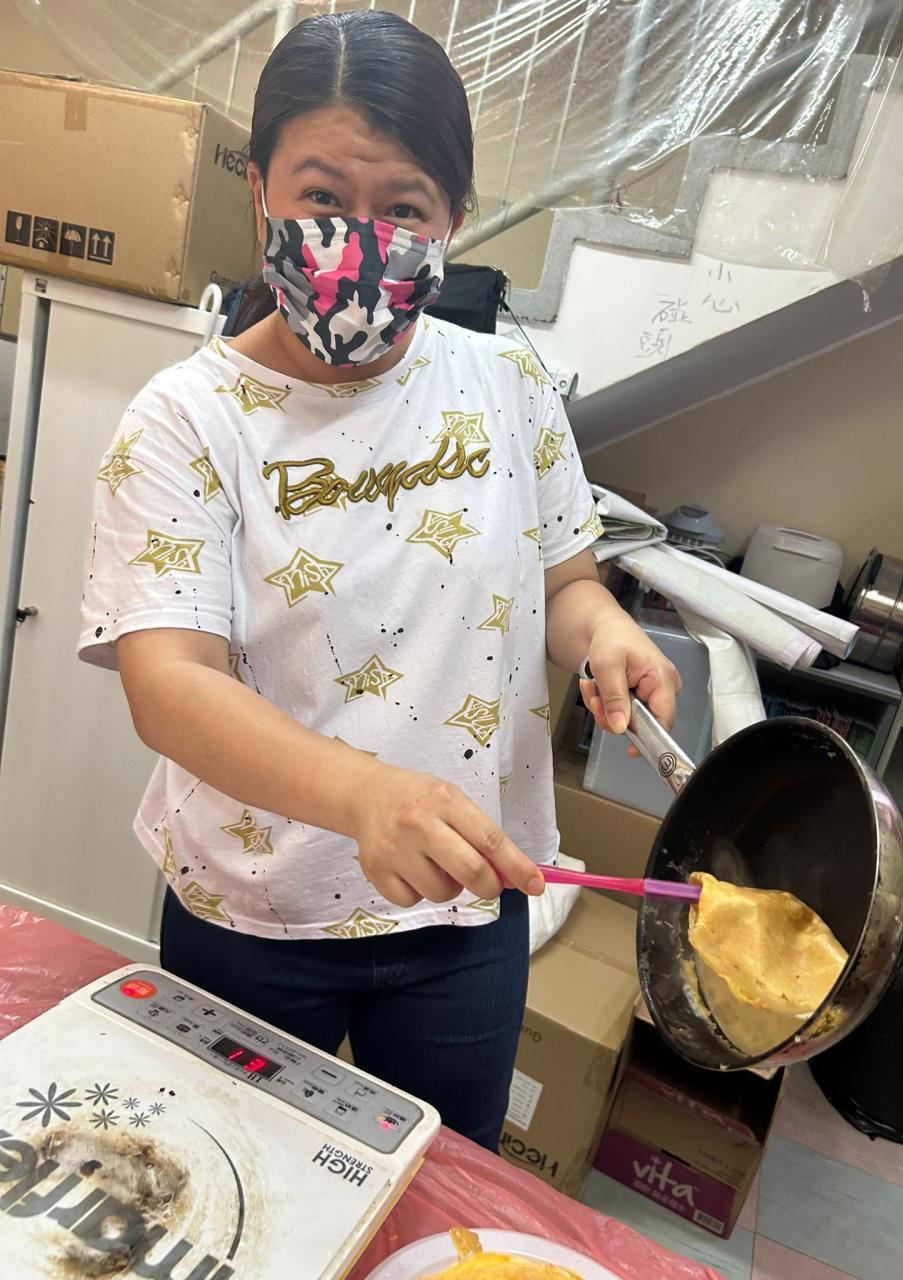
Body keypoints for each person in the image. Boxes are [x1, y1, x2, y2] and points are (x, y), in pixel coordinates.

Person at [78, 11, 679, 1152]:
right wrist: (364, 798)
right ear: (260, 191)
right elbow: (169, 682)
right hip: (253, 912)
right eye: (322, 194)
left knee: (446, 1195)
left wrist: (603, 632)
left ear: (454, 218)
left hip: (466, 905)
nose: (360, 237)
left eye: (404, 207)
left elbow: (566, 583)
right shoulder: (186, 421)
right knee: (242, 1184)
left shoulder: (509, 387)